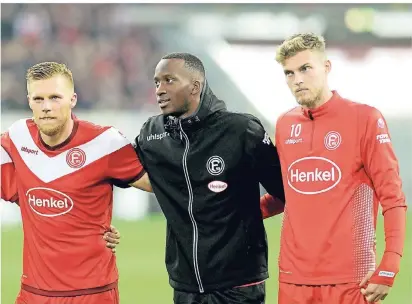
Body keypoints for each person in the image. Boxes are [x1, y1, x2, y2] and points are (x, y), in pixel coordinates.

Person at [260, 33, 407, 303]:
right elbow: (286, 196)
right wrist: (229, 213)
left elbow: (393, 198)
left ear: (326, 67)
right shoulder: (284, 124)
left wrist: (390, 264)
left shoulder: (364, 118)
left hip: (350, 279)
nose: (297, 80)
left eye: (305, 69)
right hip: (293, 278)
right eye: (289, 73)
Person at [129, 52, 285, 303]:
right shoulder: (151, 134)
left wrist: (258, 210)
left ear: (195, 86)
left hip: (239, 283)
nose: (159, 89)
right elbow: (117, 171)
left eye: (169, 80)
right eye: (157, 82)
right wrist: (101, 225)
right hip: (185, 283)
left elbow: (285, 191)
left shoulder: (241, 130)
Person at [0, 62, 152, 304]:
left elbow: (161, 186)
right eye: (38, 99)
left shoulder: (104, 142)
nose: (46, 107)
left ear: (73, 99)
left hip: (92, 294)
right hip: (33, 293)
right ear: (28, 100)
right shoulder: (17, 139)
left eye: (55, 97)